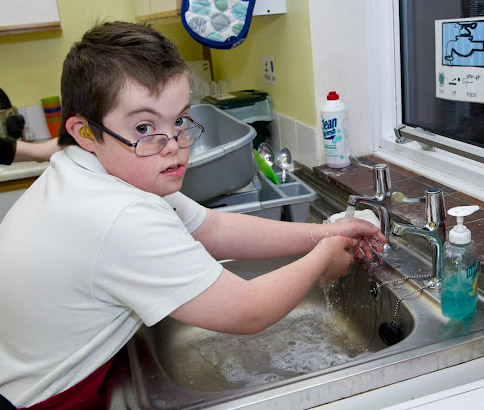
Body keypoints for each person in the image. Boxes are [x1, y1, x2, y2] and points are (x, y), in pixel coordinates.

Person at [0, 21, 386, 410]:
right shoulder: (119, 214)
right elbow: (248, 311)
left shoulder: (95, 168)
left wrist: (323, 232)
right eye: (145, 126)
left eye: (180, 120)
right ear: (85, 132)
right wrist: (322, 259)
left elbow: (213, 226)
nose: (175, 146)